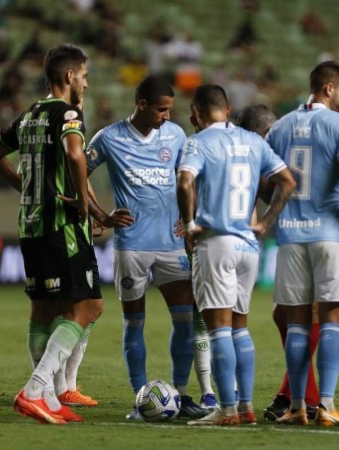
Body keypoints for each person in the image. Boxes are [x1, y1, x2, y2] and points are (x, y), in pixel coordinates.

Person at [0, 44, 110, 424]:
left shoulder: (29, 115)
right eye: (84, 76)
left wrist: (24, 185)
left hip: (31, 224)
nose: (86, 84)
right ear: (70, 76)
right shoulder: (68, 113)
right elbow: (75, 155)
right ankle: (37, 388)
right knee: (87, 307)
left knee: (43, 308)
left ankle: (50, 397)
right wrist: (86, 207)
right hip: (61, 225)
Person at [85, 75, 211, 420]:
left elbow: (188, 179)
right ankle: (141, 400)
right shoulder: (109, 138)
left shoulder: (175, 135)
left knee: (185, 322)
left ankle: (181, 396)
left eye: (170, 109)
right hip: (132, 246)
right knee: (133, 324)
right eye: (161, 109)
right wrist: (101, 215)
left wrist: (188, 218)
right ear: (141, 105)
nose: (167, 116)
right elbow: (75, 171)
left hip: (171, 244)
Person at [177, 84, 296, 426]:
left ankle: (227, 410)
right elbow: (287, 181)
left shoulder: (197, 142)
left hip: (216, 242)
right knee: (241, 329)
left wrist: (188, 224)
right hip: (248, 245)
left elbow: (185, 183)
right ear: (227, 109)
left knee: (218, 329)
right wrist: (266, 222)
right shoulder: (255, 142)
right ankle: (245, 406)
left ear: (197, 114)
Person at [267, 60, 339, 426]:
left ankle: (298, 406)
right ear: (329, 88)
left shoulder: (279, 128)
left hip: (290, 236)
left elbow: (269, 182)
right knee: (331, 321)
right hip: (329, 233)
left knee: (296, 324)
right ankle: (326, 405)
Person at [235, 104, 323, 422]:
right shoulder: (261, 160)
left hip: (318, 235)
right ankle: (300, 395)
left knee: (303, 314)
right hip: (298, 237)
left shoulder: (286, 154)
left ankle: (304, 398)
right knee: (285, 315)